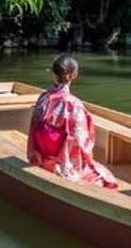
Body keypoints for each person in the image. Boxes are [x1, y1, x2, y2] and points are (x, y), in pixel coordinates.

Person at [27, 54, 118, 188]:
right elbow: (81, 142)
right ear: (73, 75)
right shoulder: (73, 104)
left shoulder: (43, 97)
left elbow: (34, 129)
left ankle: (48, 162)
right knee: (107, 178)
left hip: (42, 157)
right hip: (64, 162)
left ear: (53, 74)